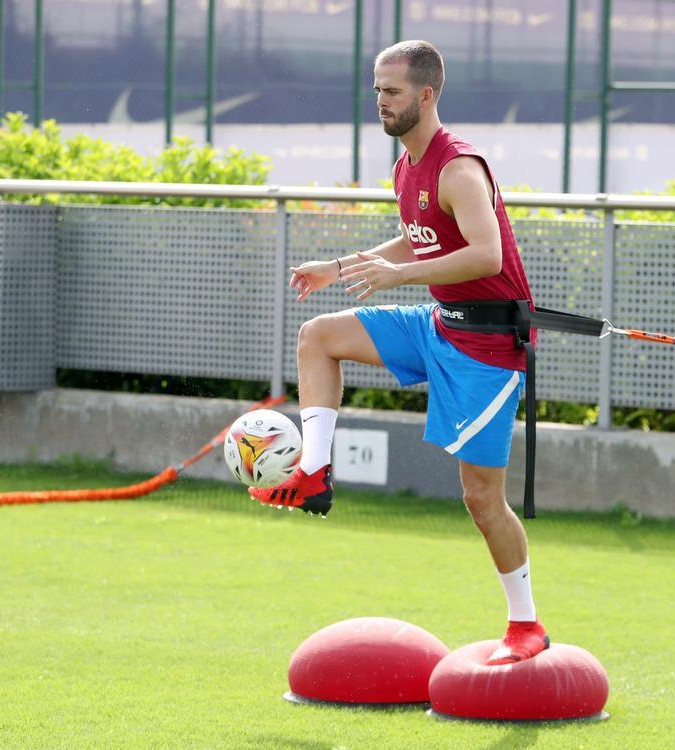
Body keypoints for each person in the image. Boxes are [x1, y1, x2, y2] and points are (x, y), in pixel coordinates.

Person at [250, 41, 548, 665]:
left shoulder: (460, 167)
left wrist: (393, 277)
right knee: (319, 337)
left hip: (487, 348)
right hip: (438, 323)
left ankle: (525, 624)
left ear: (426, 95)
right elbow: (418, 240)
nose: (380, 101)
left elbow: (486, 254)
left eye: (392, 91)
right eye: (377, 90)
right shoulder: (403, 167)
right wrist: (340, 267)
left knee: (481, 499)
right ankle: (313, 473)